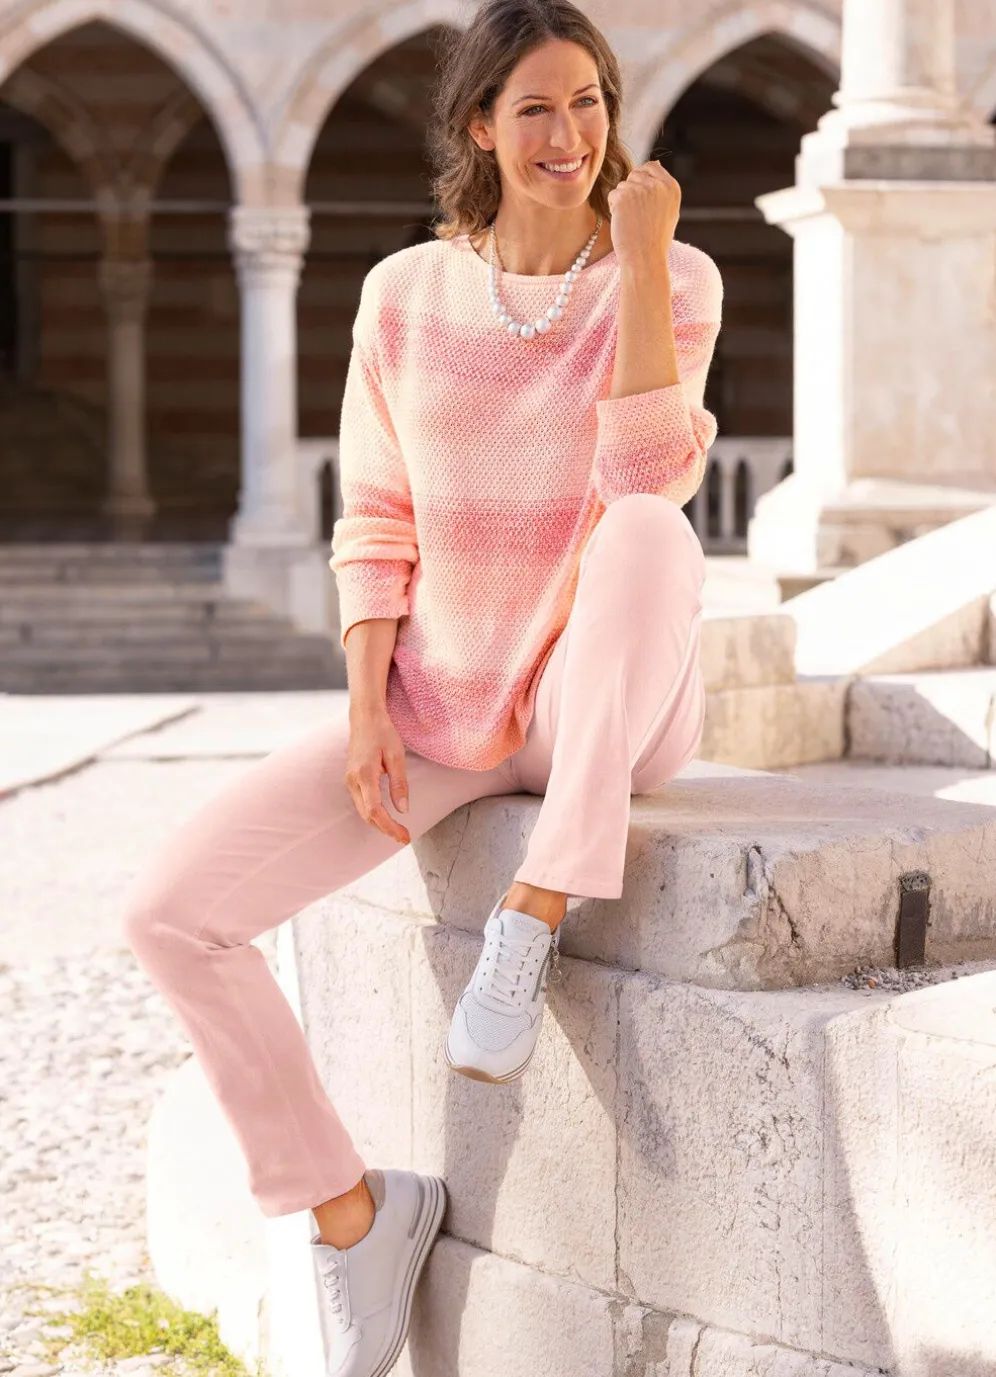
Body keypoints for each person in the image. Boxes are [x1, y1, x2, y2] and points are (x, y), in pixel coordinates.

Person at [121, 0, 722, 1372]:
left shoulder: (674, 274)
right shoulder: (402, 294)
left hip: (605, 707)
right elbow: (378, 516)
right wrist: (362, 709)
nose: (570, 134)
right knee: (171, 913)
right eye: (536, 108)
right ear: (480, 127)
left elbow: (649, 473)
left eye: (588, 101)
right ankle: (347, 1211)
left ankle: (539, 906)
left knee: (646, 532)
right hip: (446, 705)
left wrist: (637, 261)